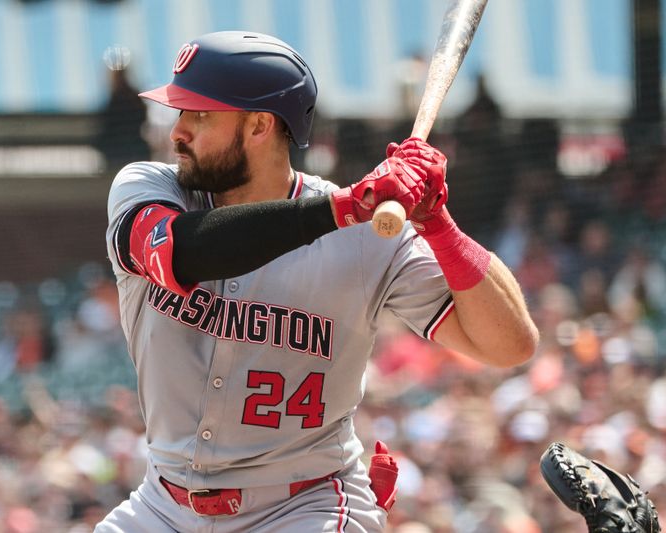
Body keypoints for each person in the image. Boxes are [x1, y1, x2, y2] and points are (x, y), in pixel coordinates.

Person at [99, 31, 538, 532]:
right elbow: (187, 250)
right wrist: (345, 208)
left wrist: (438, 223)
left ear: (260, 125)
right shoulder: (147, 187)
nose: (178, 132)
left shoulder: (366, 238)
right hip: (162, 505)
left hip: (304, 508)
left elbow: (509, 344)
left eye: (198, 114)